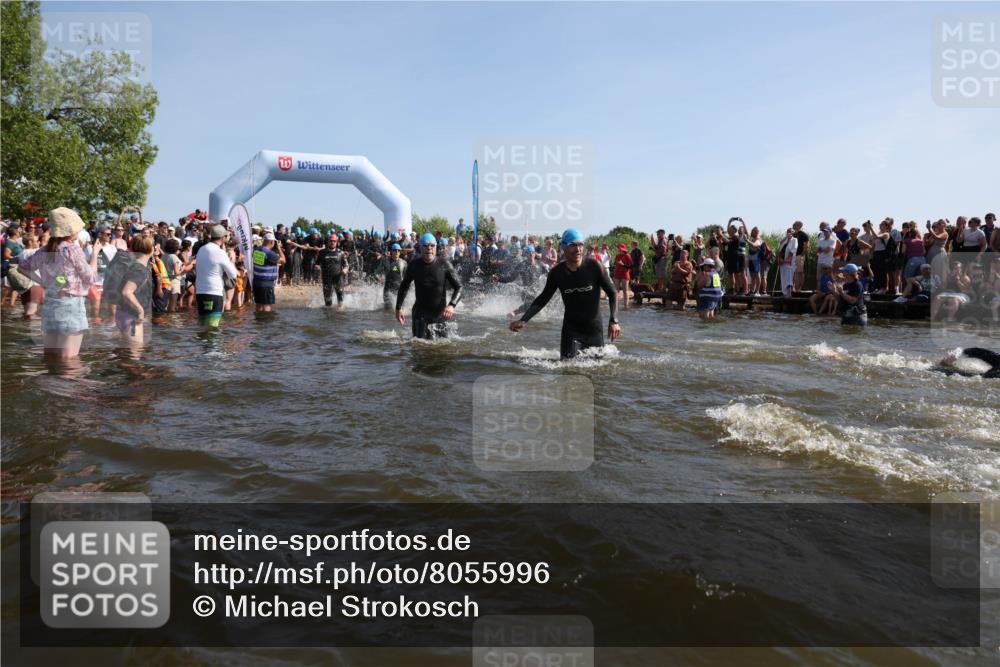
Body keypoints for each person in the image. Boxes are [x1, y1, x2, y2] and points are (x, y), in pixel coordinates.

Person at [509, 228, 620, 359]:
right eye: (573, 245)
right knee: (566, 367)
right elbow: (543, 298)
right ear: (563, 247)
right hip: (571, 330)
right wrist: (524, 320)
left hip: (594, 330)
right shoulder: (557, 273)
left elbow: (612, 293)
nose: (578, 249)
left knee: (596, 368)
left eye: (580, 245)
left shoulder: (594, 267)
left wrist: (614, 320)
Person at [17, 208, 99, 358]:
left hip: (50, 304)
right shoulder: (72, 250)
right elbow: (91, 278)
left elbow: (21, 267)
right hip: (70, 304)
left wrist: (42, 281)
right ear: (70, 230)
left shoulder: (43, 251)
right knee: (69, 360)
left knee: (50, 356)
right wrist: (94, 255)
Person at [395, 233, 463, 340]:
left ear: (436, 247)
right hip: (420, 314)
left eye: (432, 245)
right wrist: (398, 308)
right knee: (419, 345)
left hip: (440, 315)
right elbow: (404, 286)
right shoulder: (414, 265)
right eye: (425, 246)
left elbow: (459, 287)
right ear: (420, 248)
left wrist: (451, 305)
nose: (429, 248)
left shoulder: (444, 264)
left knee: (442, 346)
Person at [194, 224, 238, 327]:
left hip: (200, 292)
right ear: (223, 238)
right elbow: (233, 274)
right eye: (226, 236)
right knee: (213, 327)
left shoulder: (201, 249)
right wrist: (229, 259)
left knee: (203, 325)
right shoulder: (220, 252)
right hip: (214, 293)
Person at [114, 236, 154, 347]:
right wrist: (140, 310)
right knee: (135, 352)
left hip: (123, 313)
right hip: (132, 317)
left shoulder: (132, 265)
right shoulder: (140, 269)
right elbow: (126, 292)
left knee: (125, 352)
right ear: (150, 249)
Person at [252, 232, 285, 313]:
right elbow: (283, 260)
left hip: (256, 282)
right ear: (272, 242)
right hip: (266, 284)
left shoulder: (256, 250)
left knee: (258, 305)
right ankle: (266, 320)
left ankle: (258, 320)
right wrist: (279, 248)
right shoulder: (270, 253)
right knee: (267, 306)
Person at [315, 233, 349, 307]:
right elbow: (317, 263)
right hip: (327, 279)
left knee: (340, 301)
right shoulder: (322, 252)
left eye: (334, 241)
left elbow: (346, 265)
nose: (332, 243)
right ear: (328, 242)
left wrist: (345, 270)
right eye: (331, 241)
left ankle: (340, 313)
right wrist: (317, 267)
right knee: (328, 303)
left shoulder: (340, 253)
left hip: (338, 279)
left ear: (337, 242)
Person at [378, 243, 407, 310]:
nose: (397, 252)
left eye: (398, 250)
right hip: (388, 288)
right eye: (395, 250)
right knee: (388, 309)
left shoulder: (404, 263)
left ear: (400, 252)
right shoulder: (385, 261)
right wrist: (380, 278)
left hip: (399, 288)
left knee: (401, 308)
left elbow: (407, 276)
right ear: (391, 251)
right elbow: (377, 272)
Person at [612, 243, 633, 311]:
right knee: (616, 290)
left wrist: (623, 265)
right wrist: (613, 269)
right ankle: (615, 305)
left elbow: (631, 266)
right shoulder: (617, 256)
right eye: (618, 248)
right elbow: (615, 264)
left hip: (625, 274)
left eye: (619, 248)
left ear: (623, 249)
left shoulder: (627, 256)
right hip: (617, 274)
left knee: (625, 291)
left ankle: (626, 306)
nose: (619, 249)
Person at [778, 228, 798, 297]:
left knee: (788, 278)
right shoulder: (785, 240)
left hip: (789, 263)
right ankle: (784, 293)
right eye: (788, 231)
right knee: (783, 278)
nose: (789, 233)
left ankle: (789, 294)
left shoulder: (794, 240)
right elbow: (779, 246)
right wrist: (780, 259)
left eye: (791, 232)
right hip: (782, 262)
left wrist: (786, 260)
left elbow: (793, 250)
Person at [792, 221, 809, 292]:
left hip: (799, 256)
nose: (793, 226)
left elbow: (806, 246)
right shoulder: (793, 234)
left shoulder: (804, 235)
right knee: (793, 272)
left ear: (799, 226)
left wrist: (802, 254)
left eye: (795, 225)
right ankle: (793, 287)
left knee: (799, 272)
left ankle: (799, 288)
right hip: (792, 256)